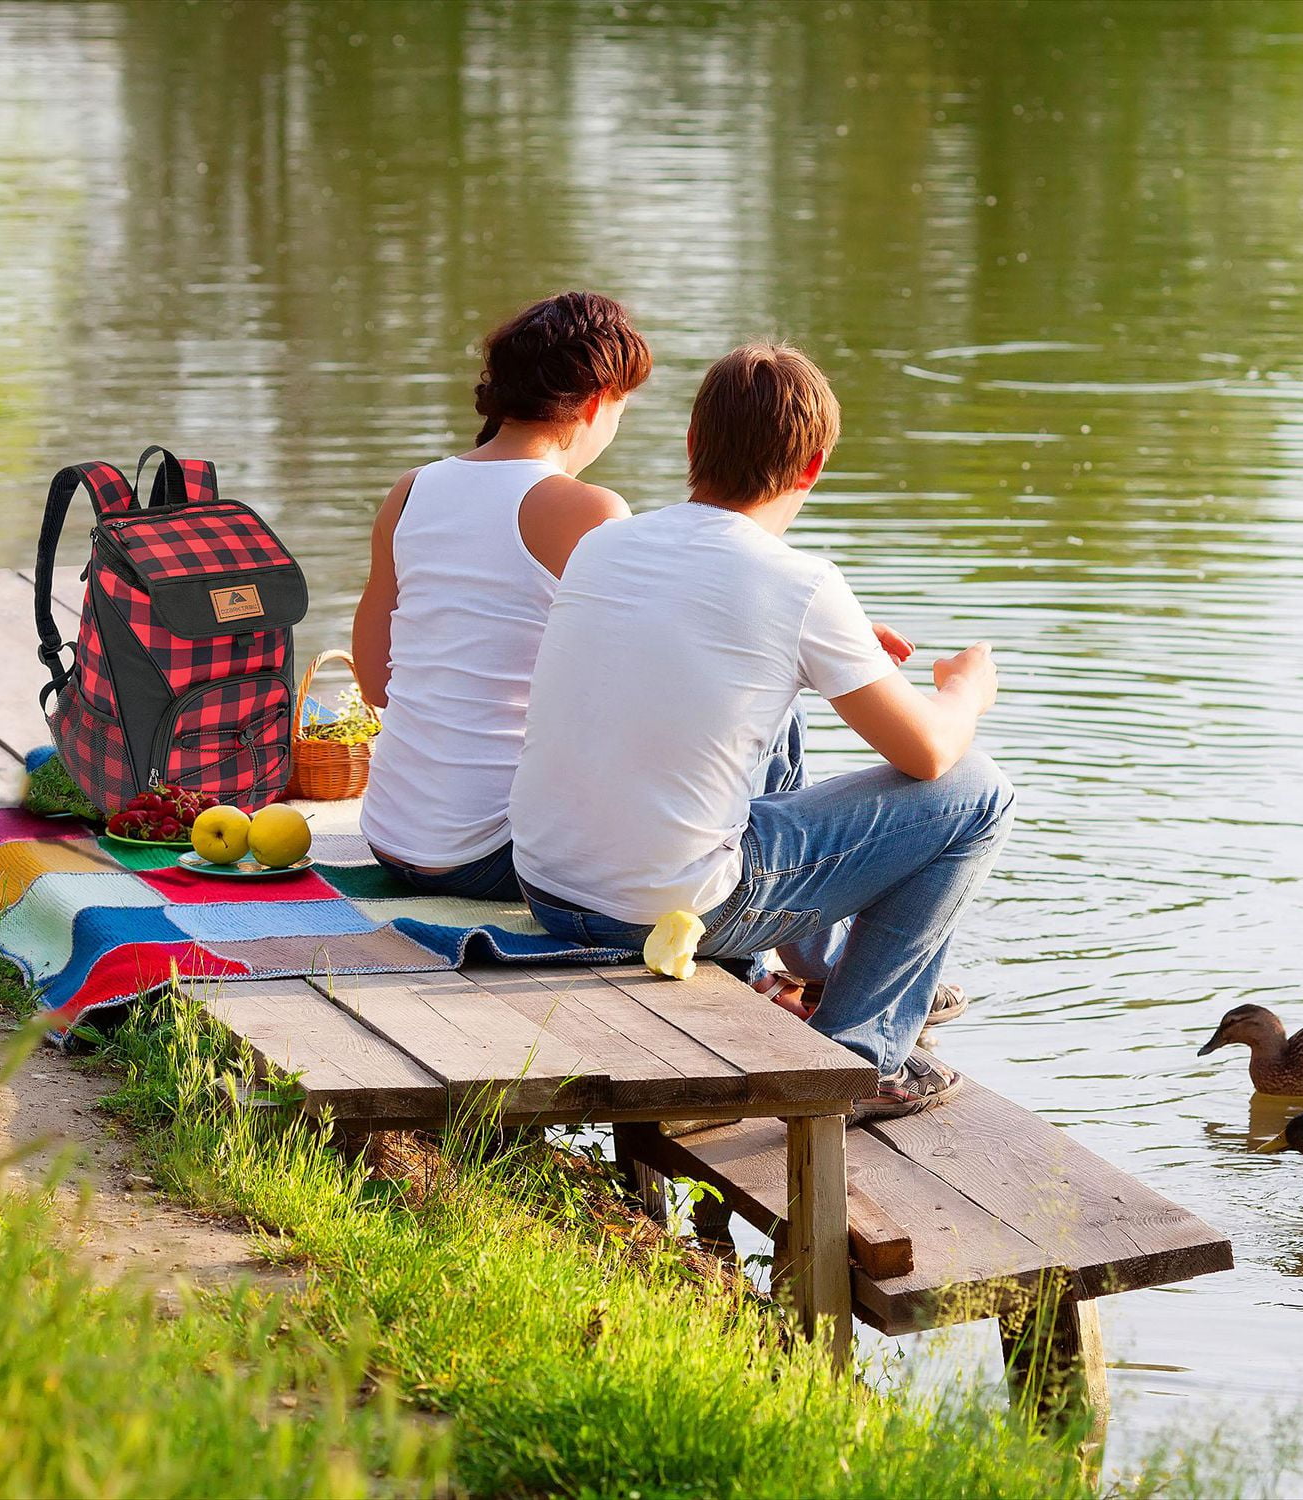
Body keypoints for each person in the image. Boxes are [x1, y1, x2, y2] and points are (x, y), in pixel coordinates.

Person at [509, 343, 1013, 1117]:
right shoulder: (801, 582)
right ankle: (861, 1057)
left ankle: (816, 970)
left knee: (781, 704)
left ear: (691, 445)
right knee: (981, 793)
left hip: (548, 887)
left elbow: (681, 655)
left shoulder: (605, 543)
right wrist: (965, 690)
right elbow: (932, 751)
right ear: (812, 467)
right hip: (663, 913)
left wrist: (823, 653)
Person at [353, 291, 651, 899]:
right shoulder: (590, 510)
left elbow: (375, 683)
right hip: (497, 852)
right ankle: (758, 963)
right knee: (769, 713)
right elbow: (642, 694)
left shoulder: (410, 492)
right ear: (598, 402)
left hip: (391, 836)